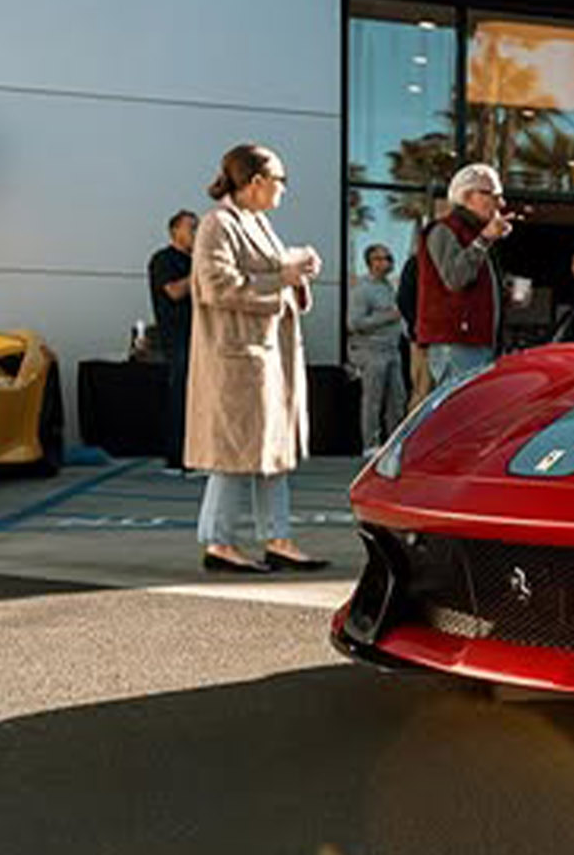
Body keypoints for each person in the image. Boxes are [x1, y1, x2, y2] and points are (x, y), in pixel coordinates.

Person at [185, 144, 328, 574]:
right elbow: (216, 285)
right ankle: (219, 542)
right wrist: (282, 276)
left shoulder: (257, 222)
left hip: (267, 357)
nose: (284, 188)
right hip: (237, 357)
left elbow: (272, 276)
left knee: (273, 450)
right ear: (256, 182)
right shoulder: (217, 224)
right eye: (280, 180)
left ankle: (277, 537)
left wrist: (297, 273)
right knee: (235, 452)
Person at [417, 164, 512, 388]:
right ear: (468, 196)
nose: (501, 204)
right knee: (463, 412)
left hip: (475, 343)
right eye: (494, 196)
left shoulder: (474, 233)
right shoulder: (444, 230)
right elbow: (456, 278)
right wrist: (485, 239)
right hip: (458, 344)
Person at [147, 209, 197, 472]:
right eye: (190, 228)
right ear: (174, 231)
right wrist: (200, 272)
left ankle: (196, 455)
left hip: (201, 337)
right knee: (180, 395)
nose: (195, 233)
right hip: (177, 337)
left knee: (197, 398)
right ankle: (176, 458)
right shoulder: (162, 260)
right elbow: (175, 291)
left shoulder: (196, 260)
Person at [345, 243, 407, 454]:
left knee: (397, 401)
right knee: (373, 401)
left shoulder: (390, 287)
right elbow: (354, 323)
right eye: (379, 259)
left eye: (388, 258)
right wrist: (390, 316)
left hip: (393, 350)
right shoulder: (362, 290)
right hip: (372, 352)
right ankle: (370, 446)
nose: (385, 263)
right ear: (369, 263)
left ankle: (393, 446)